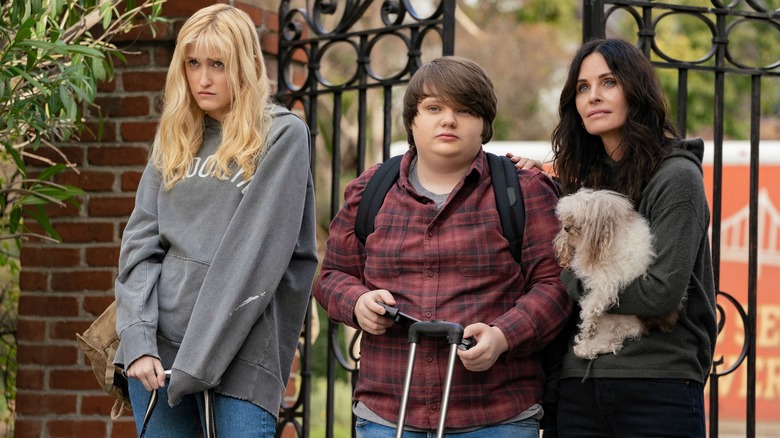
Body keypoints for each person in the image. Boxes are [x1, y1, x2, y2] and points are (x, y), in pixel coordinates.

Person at [313, 56, 572, 437]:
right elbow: (331, 276)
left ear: (484, 124)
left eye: (464, 110)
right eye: (434, 108)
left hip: (497, 416)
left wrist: (503, 336)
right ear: (412, 121)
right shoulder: (369, 191)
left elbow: (556, 286)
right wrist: (356, 302)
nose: (448, 120)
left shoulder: (523, 191)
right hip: (387, 414)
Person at [113, 4, 318, 436]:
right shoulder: (175, 135)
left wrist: (194, 366)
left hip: (243, 352)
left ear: (244, 66)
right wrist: (137, 341)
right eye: (193, 64)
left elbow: (252, 263)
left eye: (218, 65)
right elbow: (140, 246)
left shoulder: (281, 136)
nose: (203, 79)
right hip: (158, 355)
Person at [513, 38, 717, 437]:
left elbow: (660, 293)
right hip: (579, 384)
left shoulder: (677, 178)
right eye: (583, 88)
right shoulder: (582, 181)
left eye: (608, 82)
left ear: (635, 91)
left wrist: (572, 277)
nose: (593, 97)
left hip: (657, 385)